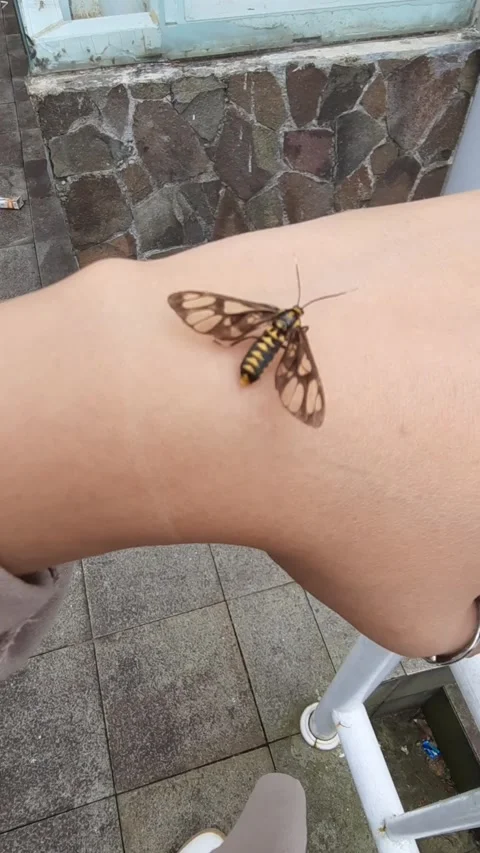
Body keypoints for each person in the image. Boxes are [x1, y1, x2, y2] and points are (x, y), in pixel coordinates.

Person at [1, 191, 480, 850]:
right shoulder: (300, 345)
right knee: (283, 800)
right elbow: (302, 387)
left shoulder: (267, 322)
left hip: (250, 342)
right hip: (265, 362)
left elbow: (248, 343)